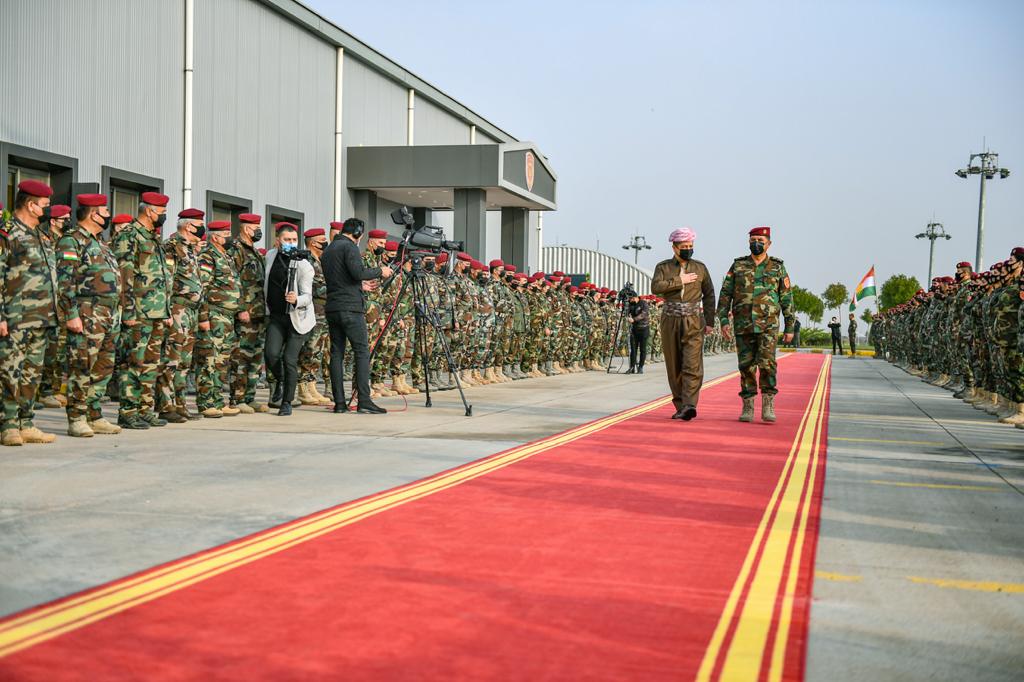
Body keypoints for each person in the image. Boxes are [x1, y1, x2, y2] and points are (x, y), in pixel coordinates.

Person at [56, 194, 122, 437]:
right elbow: (64, 282)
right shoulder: (71, 241)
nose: (108, 215)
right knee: (82, 365)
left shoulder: (101, 243)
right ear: (94, 214)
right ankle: (76, 417)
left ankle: (94, 414)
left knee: (104, 366)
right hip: (87, 312)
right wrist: (71, 314)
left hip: (109, 313)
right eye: (105, 211)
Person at [0, 180, 61, 445]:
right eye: (45, 206)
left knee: (32, 373)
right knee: (9, 371)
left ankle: (26, 421)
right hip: (16, 316)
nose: (47, 210)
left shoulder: (42, 235)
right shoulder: (8, 233)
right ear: (31, 204)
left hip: (42, 317)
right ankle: (8, 425)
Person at [717, 226, 795, 423]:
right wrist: (724, 321)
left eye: (761, 240)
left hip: (768, 325)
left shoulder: (778, 267)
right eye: (753, 240)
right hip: (743, 324)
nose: (757, 243)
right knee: (746, 366)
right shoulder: (738, 266)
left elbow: (786, 298)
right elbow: (725, 295)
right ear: (748, 242)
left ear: (769, 243)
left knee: (768, 364)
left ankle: (768, 402)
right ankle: (748, 404)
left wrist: (790, 326)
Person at [111, 193, 173, 429]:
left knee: (150, 365)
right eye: (161, 211)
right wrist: (127, 311)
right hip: (138, 312)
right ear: (149, 211)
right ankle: (127, 412)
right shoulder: (129, 236)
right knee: (133, 363)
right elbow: (124, 276)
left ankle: (144, 409)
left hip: (156, 311)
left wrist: (165, 310)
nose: (163, 216)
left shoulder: (153, 238)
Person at [321, 217, 393, 414]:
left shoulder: (328, 250)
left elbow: (340, 277)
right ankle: (364, 399)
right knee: (361, 352)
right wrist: (381, 271)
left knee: (337, 353)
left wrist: (358, 285)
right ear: (358, 233)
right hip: (351, 308)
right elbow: (357, 271)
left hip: (333, 306)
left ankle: (340, 403)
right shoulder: (350, 247)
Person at [651, 227, 716, 421]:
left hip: (693, 320)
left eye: (691, 245)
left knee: (692, 364)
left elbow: (709, 294)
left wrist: (710, 322)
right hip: (670, 320)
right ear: (675, 247)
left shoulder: (700, 268)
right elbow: (656, 287)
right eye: (684, 246)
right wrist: (679, 280)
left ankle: (689, 405)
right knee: (674, 365)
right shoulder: (663, 268)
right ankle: (680, 404)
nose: (688, 249)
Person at [263, 223, 316, 416]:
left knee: (289, 359)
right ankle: (281, 380)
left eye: (294, 240)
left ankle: (287, 401)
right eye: (287, 240)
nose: (291, 244)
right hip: (276, 316)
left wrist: (296, 300)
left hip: (297, 319)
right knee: (270, 354)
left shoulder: (304, 266)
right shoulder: (269, 256)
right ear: (278, 240)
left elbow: (308, 296)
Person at [195, 220, 242, 418]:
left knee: (222, 361)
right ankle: (206, 403)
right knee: (209, 360)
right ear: (215, 237)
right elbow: (202, 288)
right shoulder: (208, 256)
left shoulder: (226, 256)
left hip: (228, 317)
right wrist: (204, 316)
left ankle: (217, 400)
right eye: (225, 234)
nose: (229, 238)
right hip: (214, 315)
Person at [625, 292, 649, 374]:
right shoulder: (631, 304)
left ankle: (640, 367)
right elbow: (627, 313)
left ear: (635, 297)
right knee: (633, 349)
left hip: (643, 329)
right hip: (634, 330)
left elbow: (643, 314)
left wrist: (634, 319)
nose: (630, 300)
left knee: (642, 349)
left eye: (631, 298)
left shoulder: (643, 303)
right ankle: (632, 367)